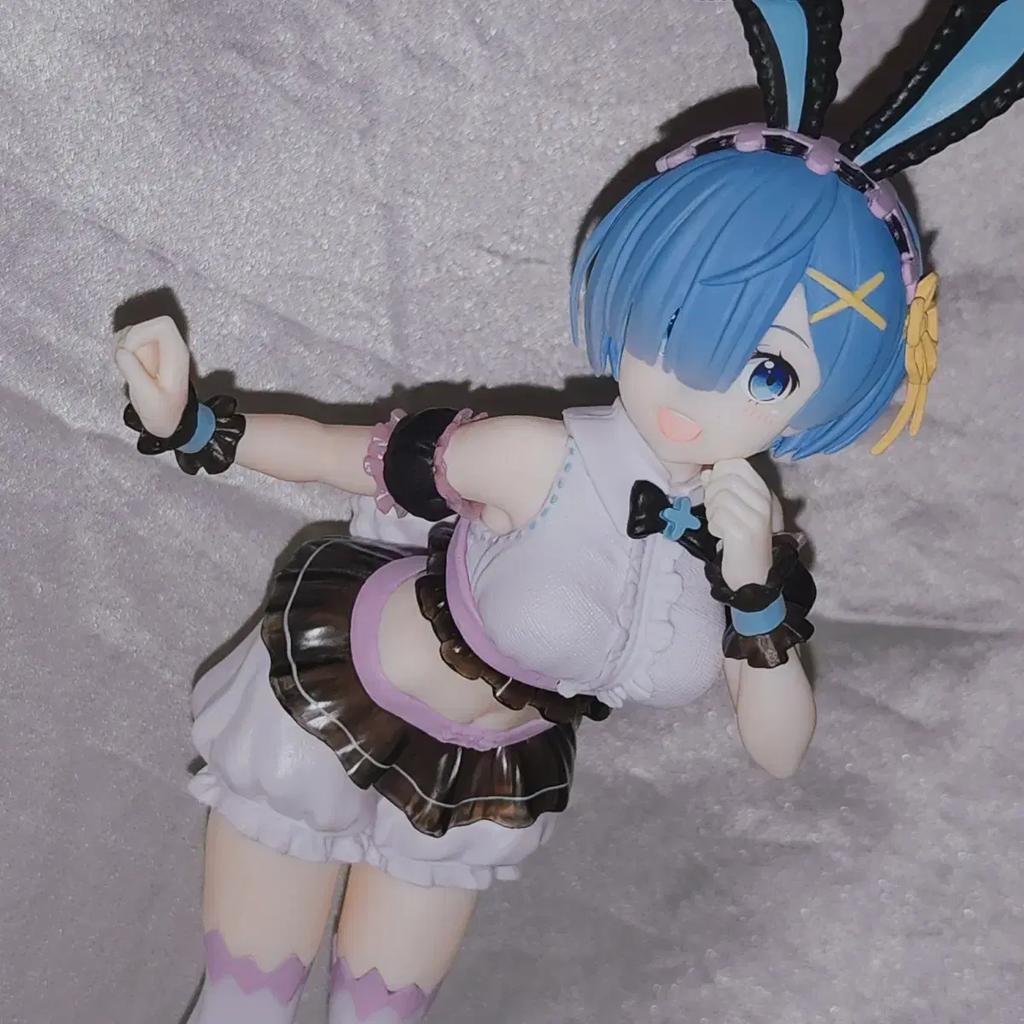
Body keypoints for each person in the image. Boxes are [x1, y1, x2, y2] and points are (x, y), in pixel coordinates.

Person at [112, 2, 1024, 1021]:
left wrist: (754, 592)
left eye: (769, 370)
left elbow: (778, 753)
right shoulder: (535, 456)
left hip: (480, 779)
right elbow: (345, 456)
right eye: (680, 317)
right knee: (248, 1005)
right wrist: (196, 424)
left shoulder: (743, 542)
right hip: (335, 703)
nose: (696, 384)